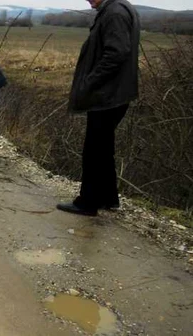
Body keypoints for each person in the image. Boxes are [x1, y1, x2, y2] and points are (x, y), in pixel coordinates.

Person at [57, 0, 140, 217]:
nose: (88, 0)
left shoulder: (114, 12)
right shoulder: (118, 8)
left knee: (94, 150)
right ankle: (108, 198)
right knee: (103, 148)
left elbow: (117, 53)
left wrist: (90, 81)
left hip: (108, 95)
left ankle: (87, 202)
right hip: (113, 94)